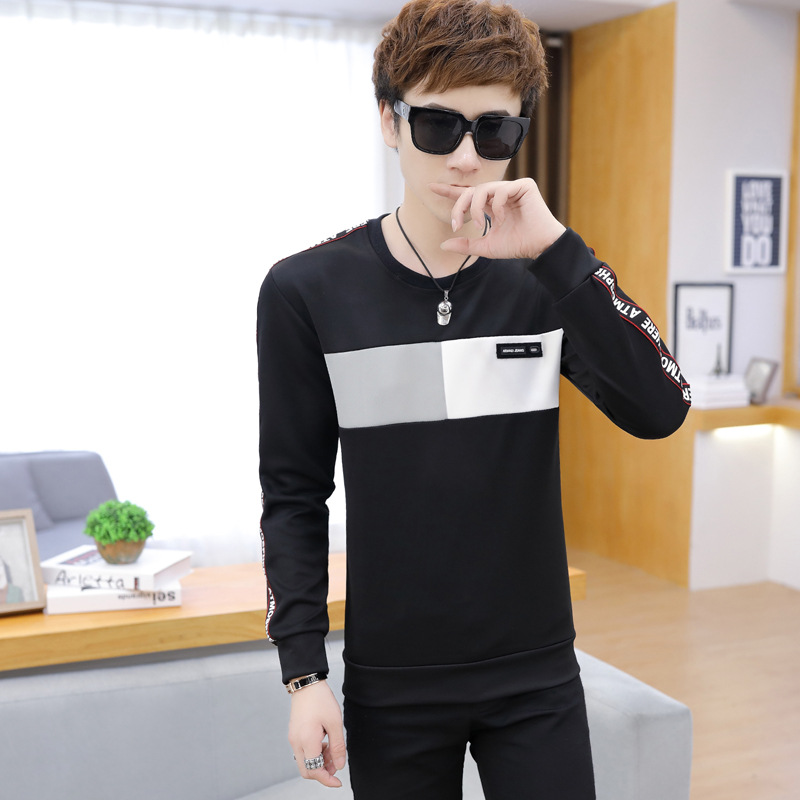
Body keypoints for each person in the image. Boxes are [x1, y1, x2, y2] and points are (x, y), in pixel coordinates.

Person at [256, 1, 691, 797]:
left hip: (535, 676)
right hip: (394, 681)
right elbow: (293, 496)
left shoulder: (544, 278)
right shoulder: (305, 291)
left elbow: (661, 408)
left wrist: (558, 252)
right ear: (388, 121)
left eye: (494, 132)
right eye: (437, 126)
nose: (465, 158)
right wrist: (303, 674)